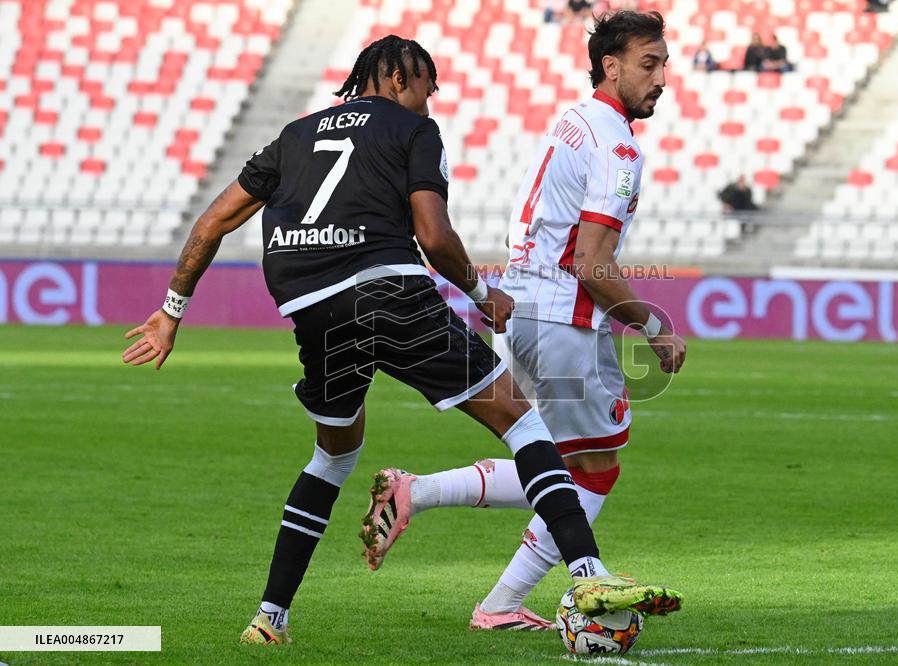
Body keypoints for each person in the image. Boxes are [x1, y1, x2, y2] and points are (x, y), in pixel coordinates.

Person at [121, 34, 682, 646]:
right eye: (426, 88)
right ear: (397, 80)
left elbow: (214, 222)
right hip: (389, 293)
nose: (428, 101)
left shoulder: (295, 134)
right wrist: (479, 293)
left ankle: (269, 618)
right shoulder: (415, 131)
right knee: (523, 424)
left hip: (310, 308)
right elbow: (434, 236)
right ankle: (588, 574)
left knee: (332, 455)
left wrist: (171, 311)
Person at [361, 11, 687, 631]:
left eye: (664, 64)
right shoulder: (618, 146)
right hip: (563, 323)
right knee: (595, 468)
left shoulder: (573, 121)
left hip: (521, 313)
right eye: (650, 64)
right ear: (611, 67)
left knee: (548, 458)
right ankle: (503, 602)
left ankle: (419, 493)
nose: (662, 78)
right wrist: (652, 328)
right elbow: (593, 263)